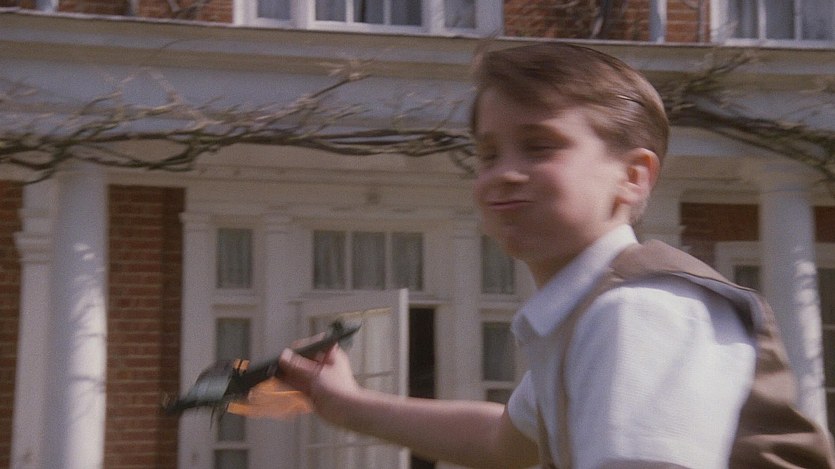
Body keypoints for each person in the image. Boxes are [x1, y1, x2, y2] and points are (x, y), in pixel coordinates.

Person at [279, 42, 834, 468]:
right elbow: (501, 441)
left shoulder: (641, 311)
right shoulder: (586, 311)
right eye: (488, 154)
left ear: (633, 176)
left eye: (539, 146)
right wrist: (345, 405)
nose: (504, 174)